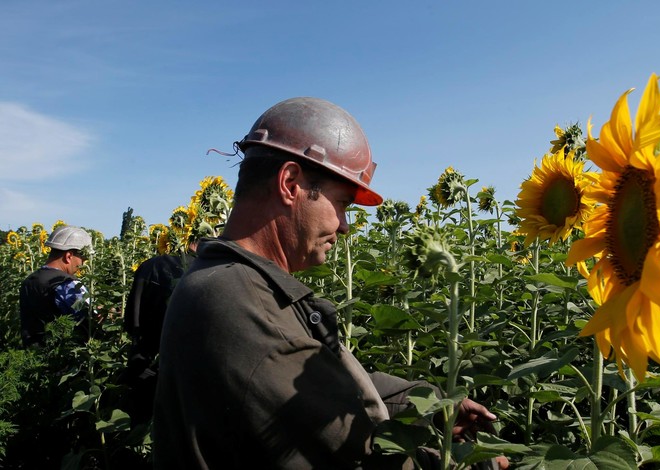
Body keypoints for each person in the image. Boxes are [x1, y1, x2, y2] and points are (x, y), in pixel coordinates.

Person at [153, 97, 505, 469]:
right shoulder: (241, 305)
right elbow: (356, 454)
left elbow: (322, 381)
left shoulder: (230, 281)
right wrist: (468, 463)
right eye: (342, 204)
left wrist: (431, 405)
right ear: (290, 184)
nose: (345, 225)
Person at [120, 240, 198, 424]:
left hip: (142, 371)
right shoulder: (209, 270)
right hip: (185, 384)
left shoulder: (150, 266)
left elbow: (132, 323)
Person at [18, 225, 93, 347]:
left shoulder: (29, 280)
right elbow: (90, 318)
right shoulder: (67, 284)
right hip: (61, 357)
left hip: (32, 354)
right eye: (82, 259)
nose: (83, 264)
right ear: (69, 256)